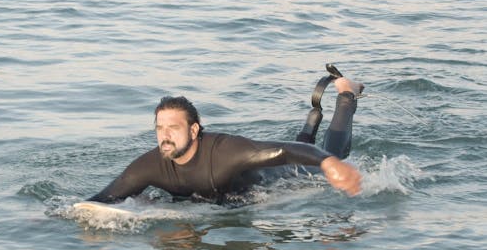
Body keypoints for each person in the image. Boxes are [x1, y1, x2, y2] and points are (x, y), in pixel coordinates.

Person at [88, 75, 364, 204]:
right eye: (160, 128)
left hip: (279, 180)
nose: (165, 136)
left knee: (332, 158)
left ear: (194, 131)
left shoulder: (225, 152)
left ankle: (346, 94)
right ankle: (311, 124)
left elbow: (282, 151)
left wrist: (329, 164)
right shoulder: (149, 166)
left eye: (173, 127)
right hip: (225, 197)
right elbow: (104, 198)